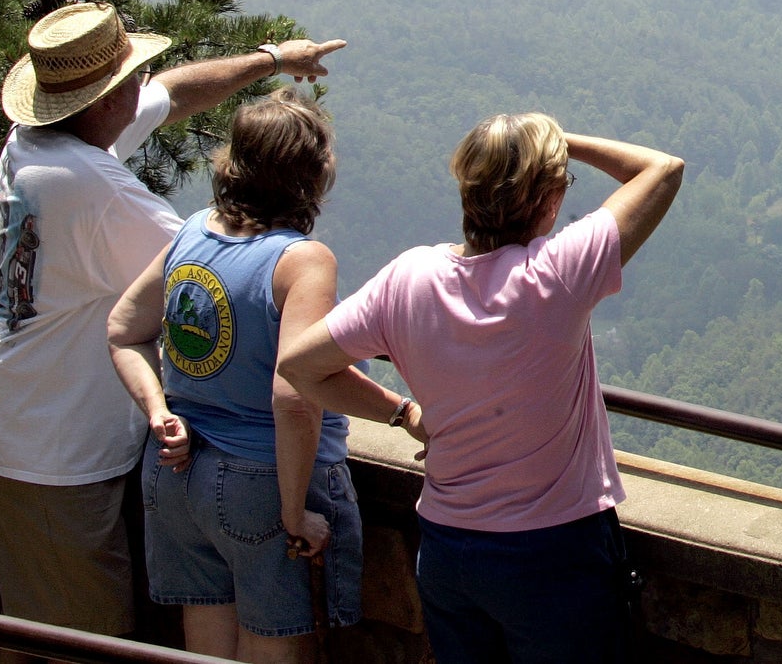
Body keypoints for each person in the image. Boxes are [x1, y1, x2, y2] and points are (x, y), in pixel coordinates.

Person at [0, 1, 343, 658]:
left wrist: (274, 59)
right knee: (83, 635)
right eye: (133, 73)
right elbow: (218, 275)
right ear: (105, 97)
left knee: (32, 615)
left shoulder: (42, 140)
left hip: (16, 401)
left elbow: (172, 95)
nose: (145, 82)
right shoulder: (89, 186)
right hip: (52, 440)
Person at [280, 114, 684, 664]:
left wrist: (403, 413)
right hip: (556, 549)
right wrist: (564, 141)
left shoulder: (410, 278)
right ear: (547, 197)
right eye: (562, 183)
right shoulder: (557, 274)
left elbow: (302, 366)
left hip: (450, 548)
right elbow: (662, 169)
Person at [108, 88, 387, 662]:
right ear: (312, 176)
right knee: (277, 644)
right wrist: (293, 512)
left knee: (207, 635)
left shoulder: (191, 233)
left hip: (175, 474)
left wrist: (161, 414)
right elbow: (294, 393)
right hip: (260, 481)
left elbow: (123, 329)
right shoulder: (301, 261)